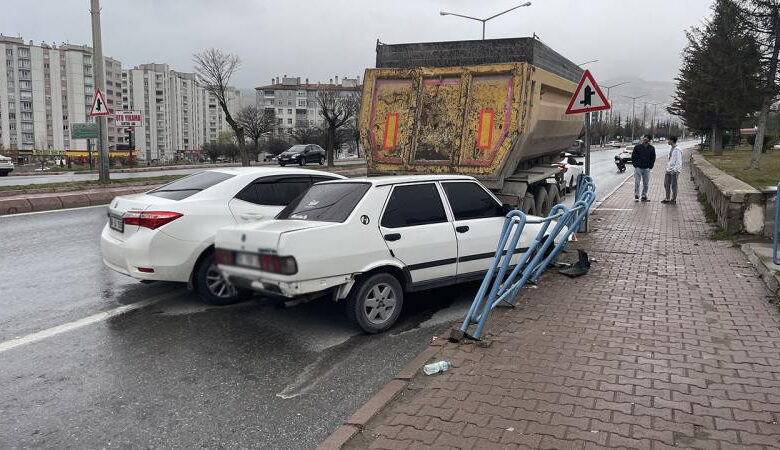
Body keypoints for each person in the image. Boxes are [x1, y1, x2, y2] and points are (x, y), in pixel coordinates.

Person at [631, 134, 656, 202]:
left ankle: (644, 196)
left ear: (649, 140)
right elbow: (633, 157)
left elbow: (653, 158)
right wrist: (635, 165)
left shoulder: (651, 148)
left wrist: (650, 166)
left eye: (647, 138)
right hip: (638, 168)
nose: (645, 139)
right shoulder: (637, 147)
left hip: (646, 168)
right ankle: (636, 195)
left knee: (646, 183)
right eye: (644, 137)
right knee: (637, 182)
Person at [662, 136, 682, 204]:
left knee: (674, 185)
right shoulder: (671, 149)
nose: (667, 141)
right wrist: (668, 168)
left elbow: (679, 161)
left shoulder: (677, 150)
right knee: (666, 184)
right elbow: (670, 160)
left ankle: (673, 199)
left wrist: (675, 170)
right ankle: (667, 198)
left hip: (674, 170)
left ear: (672, 141)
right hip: (669, 169)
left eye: (668, 140)